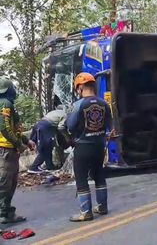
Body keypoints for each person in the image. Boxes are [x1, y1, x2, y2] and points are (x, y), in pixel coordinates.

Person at [66, 72, 111, 222]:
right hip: (99, 146)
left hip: (83, 146)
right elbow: (108, 126)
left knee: (81, 178)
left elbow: (70, 126)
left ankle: (86, 212)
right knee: (99, 175)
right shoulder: (104, 103)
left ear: (79, 87)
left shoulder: (78, 105)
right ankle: (102, 207)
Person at [0, 78, 35, 224]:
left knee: (11, 182)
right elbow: (5, 128)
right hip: (6, 149)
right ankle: (3, 214)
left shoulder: (7, 104)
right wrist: (19, 145)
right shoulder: (5, 103)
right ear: (8, 89)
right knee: (5, 183)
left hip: (9, 149)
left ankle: (7, 212)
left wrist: (27, 141)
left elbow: (15, 129)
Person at [28, 105, 67, 174]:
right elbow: (61, 128)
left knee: (48, 148)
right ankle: (33, 167)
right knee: (46, 149)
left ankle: (50, 166)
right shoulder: (64, 115)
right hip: (45, 128)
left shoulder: (53, 112)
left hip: (38, 125)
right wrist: (66, 136)